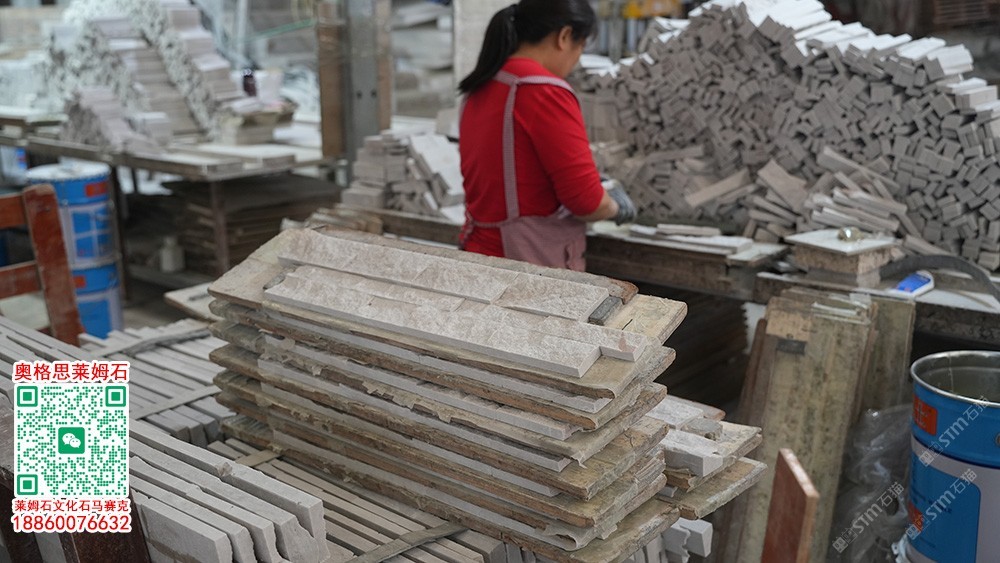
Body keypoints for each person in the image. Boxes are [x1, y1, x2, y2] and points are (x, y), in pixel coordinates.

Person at [457, 0, 637, 271]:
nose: (576, 61)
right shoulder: (544, 91)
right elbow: (586, 202)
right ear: (564, 36)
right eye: (580, 47)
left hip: (479, 255)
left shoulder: (479, 86)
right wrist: (615, 206)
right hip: (526, 265)